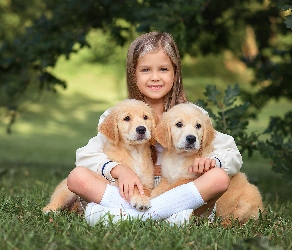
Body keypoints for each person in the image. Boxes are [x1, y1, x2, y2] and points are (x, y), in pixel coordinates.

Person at [67, 31, 242, 226]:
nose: (155, 77)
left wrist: (213, 161)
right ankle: (160, 218)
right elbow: (85, 156)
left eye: (164, 69)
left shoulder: (191, 113)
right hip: (131, 192)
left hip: (180, 193)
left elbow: (232, 154)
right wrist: (118, 170)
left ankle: (129, 217)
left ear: (175, 73)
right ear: (133, 74)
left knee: (218, 178)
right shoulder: (119, 113)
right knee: (77, 177)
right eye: (145, 70)